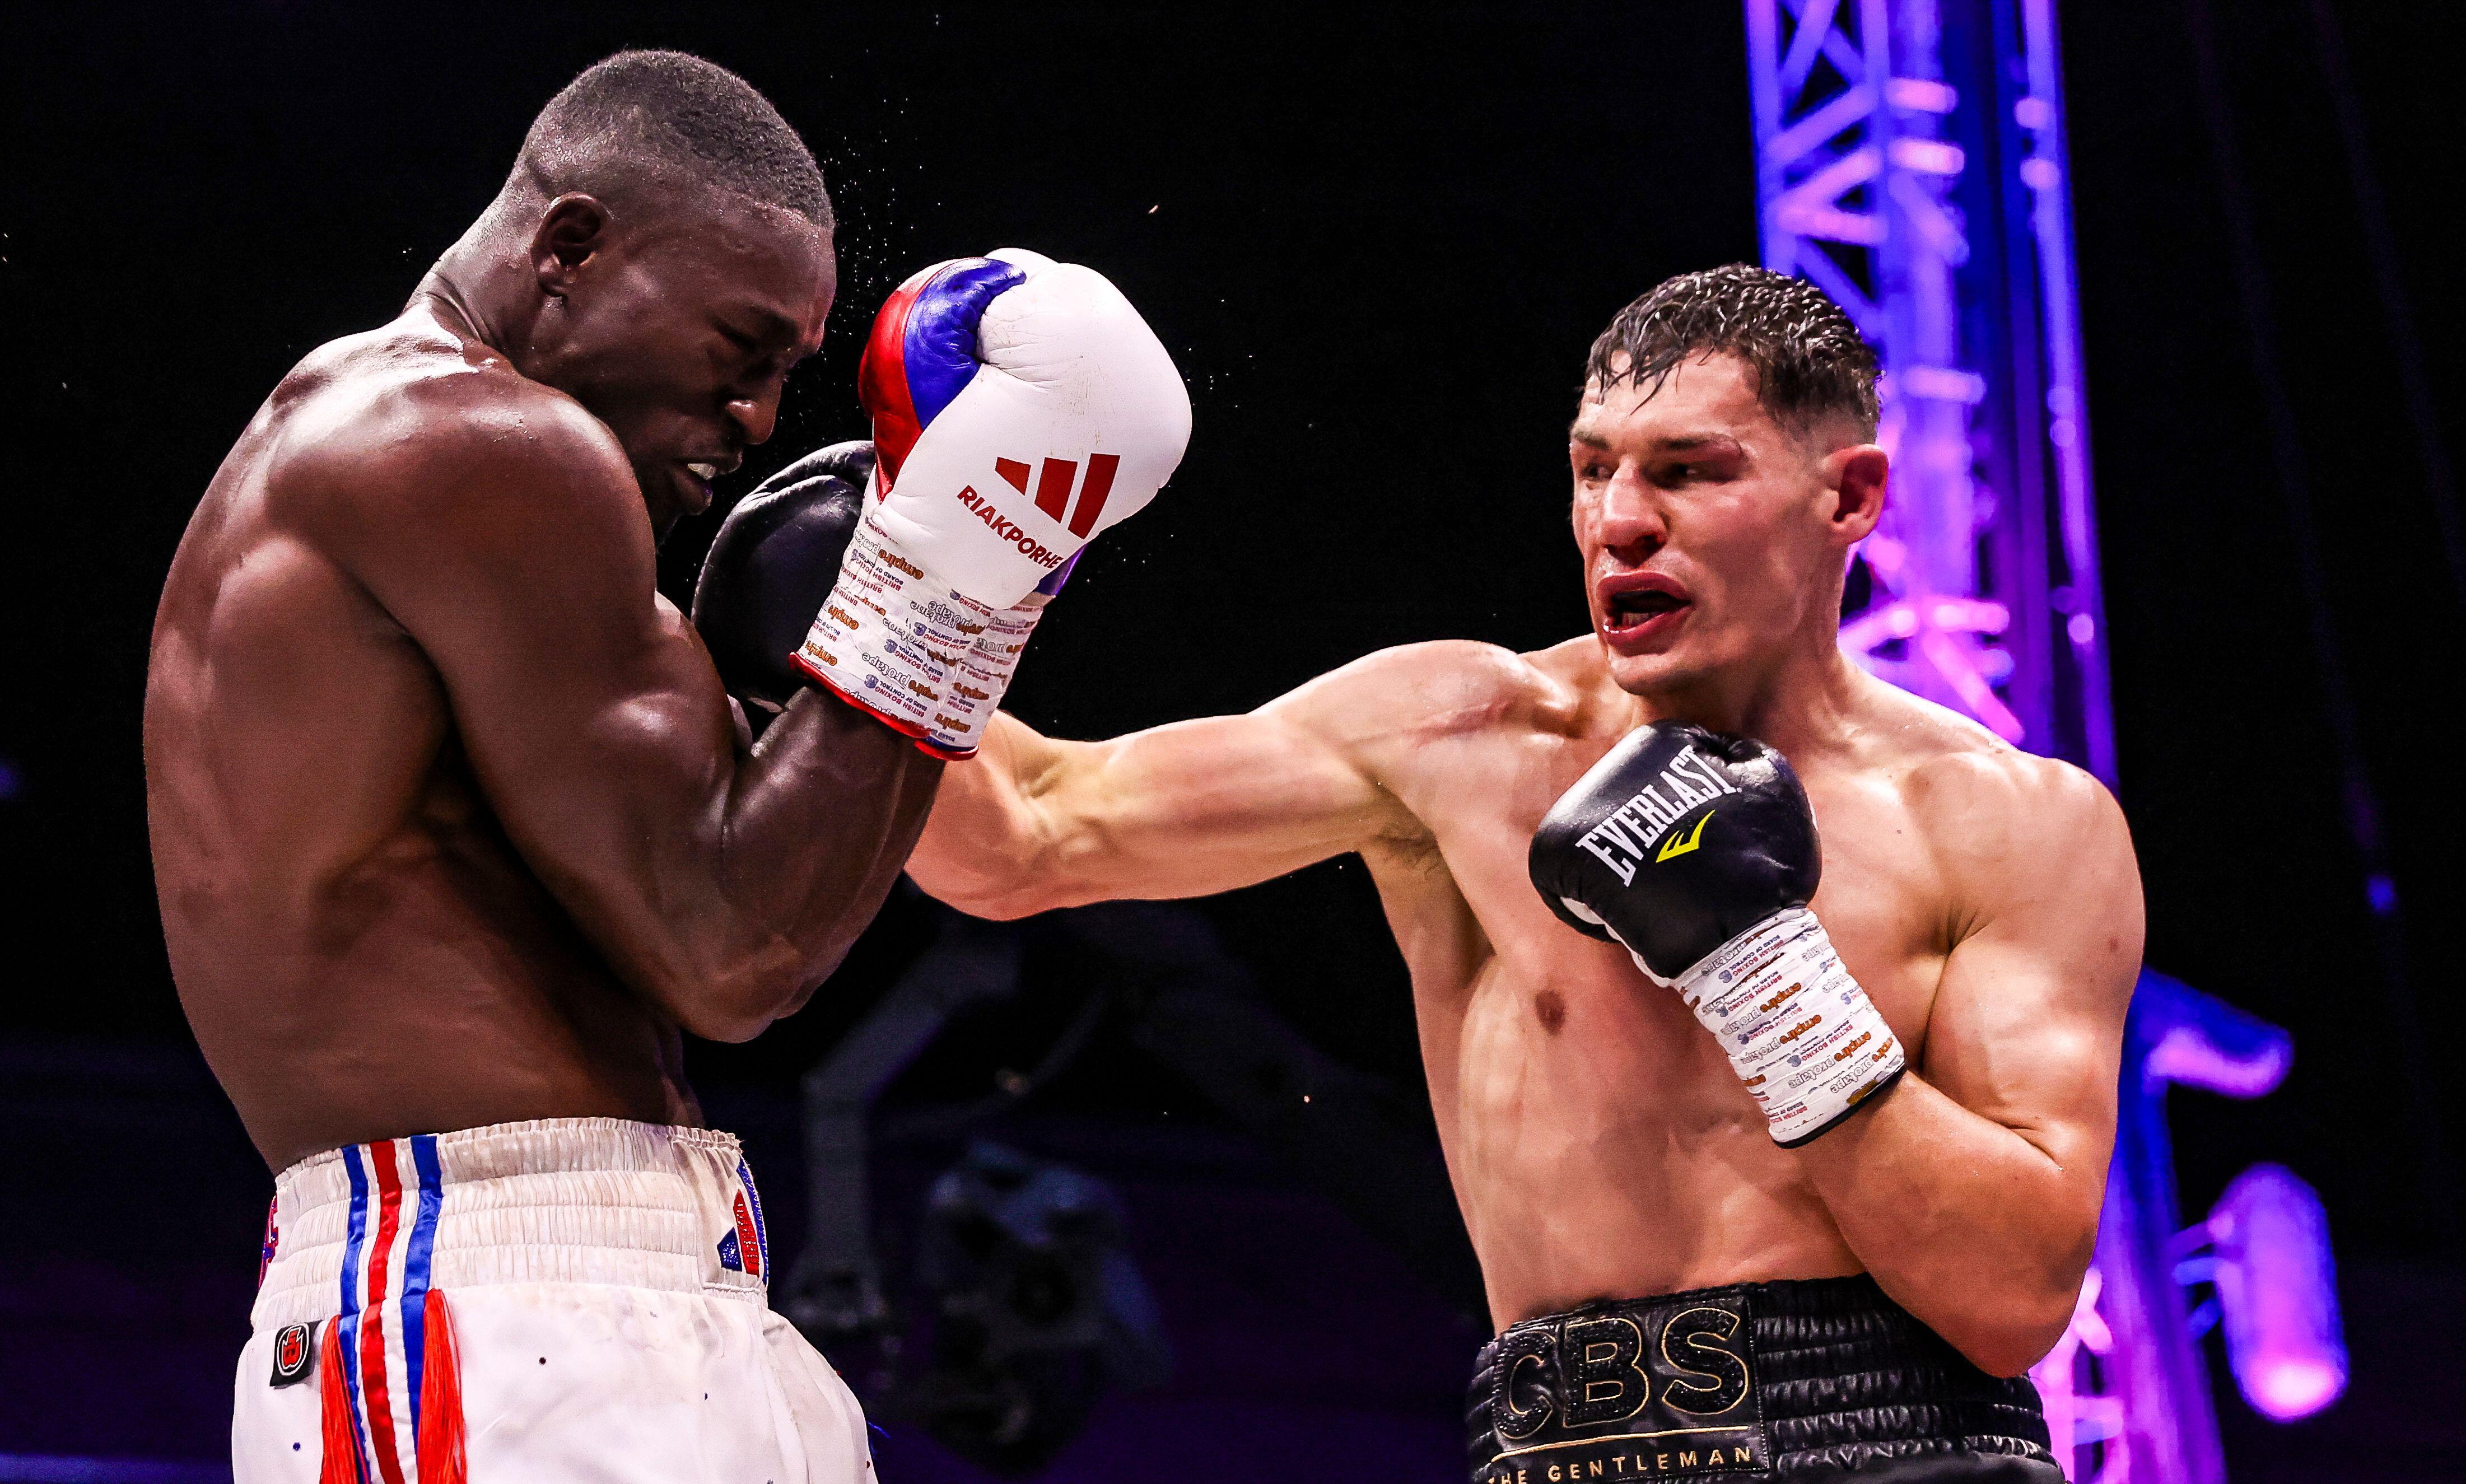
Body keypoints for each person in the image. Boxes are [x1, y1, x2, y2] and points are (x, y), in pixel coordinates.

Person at [908, 265, 2144, 1483]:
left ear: (1850, 496)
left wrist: (1766, 970)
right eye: (1593, 466)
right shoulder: (1464, 741)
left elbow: (2012, 1295)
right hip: (1556, 1449)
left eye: (1688, 470)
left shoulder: (2012, 824)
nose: (1618, 521)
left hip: (1903, 1450)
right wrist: (908, 567)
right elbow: (1022, 835)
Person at [143, 50, 1186, 1484]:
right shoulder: (469, 443)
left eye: (784, 376)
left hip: (587, 1297)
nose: (759, 420)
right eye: (738, 350)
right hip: (498, 1314)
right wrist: (963, 574)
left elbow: (740, 884)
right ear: (570, 246)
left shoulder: (393, 455)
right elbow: (735, 947)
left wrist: (931, 585)